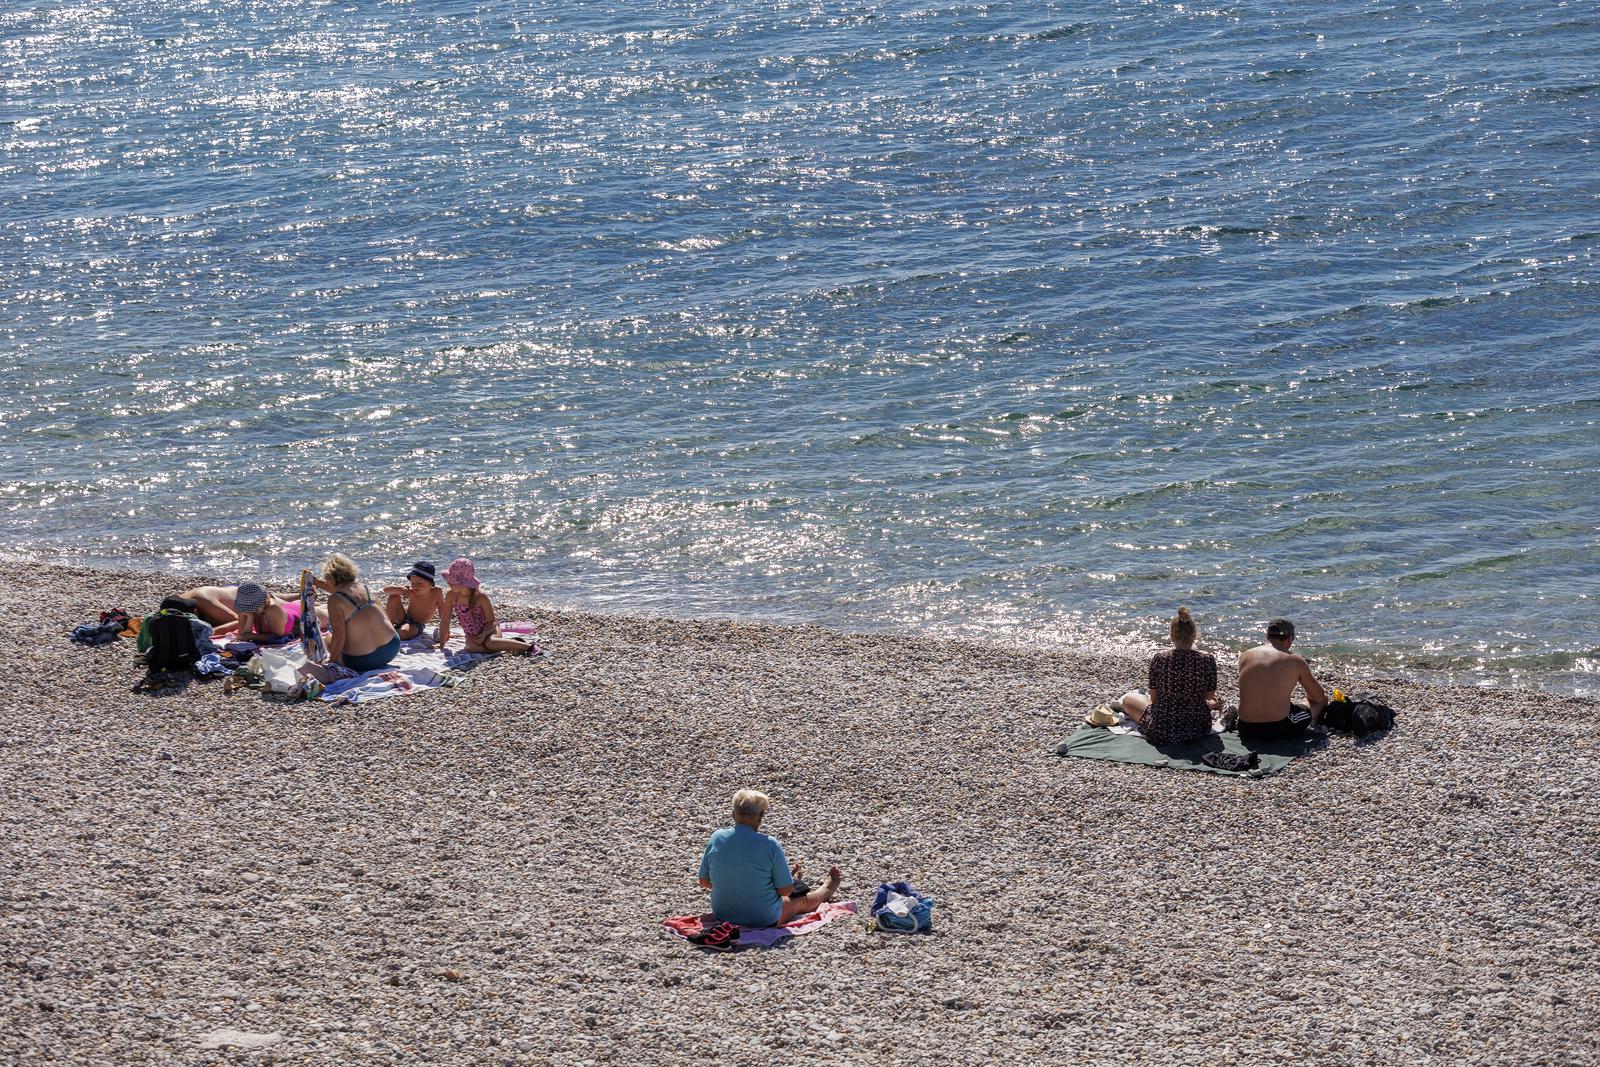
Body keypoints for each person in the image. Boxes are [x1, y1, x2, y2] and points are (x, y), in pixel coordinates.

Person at [696, 789, 841, 928]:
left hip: (723, 914)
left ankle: (779, 880)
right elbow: (785, 891)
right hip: (762, 918)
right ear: (760, 817)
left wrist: (734, 885)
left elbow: (704, 881)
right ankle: (825, 891)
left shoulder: (716, 838)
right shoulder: (770, 844)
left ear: (733, 815)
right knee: (798, 899)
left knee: (765, 883)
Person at [1118, 607, 1221, 745]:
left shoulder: (1160, 659)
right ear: (1194, 635)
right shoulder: (1208, 660)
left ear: (1172, 636)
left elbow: (1154, 699)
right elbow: (1209, 696)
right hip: (1197, 727)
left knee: (1128, 700)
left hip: (1162, 728)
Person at [301, 554, 400, 682]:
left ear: (331, 578)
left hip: (365, 659)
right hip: (391, 648)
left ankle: (338, 660)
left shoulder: (335, 600)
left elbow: (339, 636)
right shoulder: (364, 588)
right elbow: (342, 592)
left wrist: (332, 662)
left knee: (328, 639)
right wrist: (317, 583)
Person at [1235, 618, 1328, 739]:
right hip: (1279, 728)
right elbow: (1318, 696)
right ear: (1289, 638)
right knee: (1322, 699)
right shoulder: (1295, 659)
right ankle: (1315, 723)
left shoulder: (1246, 655)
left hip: (1245, 728)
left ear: (1267, 636)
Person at [437, 558, 538, 654]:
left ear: (463, 583)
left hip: (489, 631)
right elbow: (445, 620)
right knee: (471, 648)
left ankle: (529, 647)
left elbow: (492, 622)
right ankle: (510, 644)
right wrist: (442, 645)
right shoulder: (451, 595)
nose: (448, 583)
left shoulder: (481, 597)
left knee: (490, 643)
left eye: (451, 581)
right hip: (472, 634)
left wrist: (483, 635)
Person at [211, 581, 323, 641]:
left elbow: (279, 636)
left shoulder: (273, 609)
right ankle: (305, 598)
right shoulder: (245, 607)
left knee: (325, 612)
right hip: (286, 611)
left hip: (299, 618)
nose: (250, 610)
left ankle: (310, 599)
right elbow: (242, 635)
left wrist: (251, 636)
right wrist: (249, 618)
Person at [382, 561, 445, 642]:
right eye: (412, 582)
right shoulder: (411, 591)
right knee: (394, 597)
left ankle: (391, 632)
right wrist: (402, 590)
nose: (415, 586)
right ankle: (388, 627)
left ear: (430, 583)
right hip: (402, 617)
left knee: (404, 633)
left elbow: (442, 611)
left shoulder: (437, 592)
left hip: (417, 624)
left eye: (419, 584)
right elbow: (386, 590)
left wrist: (444, 627)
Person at [174, 585, 242, 629]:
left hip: (246, 595)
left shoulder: (205, 601)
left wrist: (213, 631)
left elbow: (240, 621)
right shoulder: (173, 602)